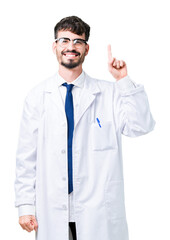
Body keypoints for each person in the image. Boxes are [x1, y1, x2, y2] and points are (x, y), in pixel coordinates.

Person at [14, 16, 155, 240]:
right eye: (64, 40)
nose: (71, 47)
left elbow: (141, 126)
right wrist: (24, 206)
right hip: (52, 210)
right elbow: (26, 158)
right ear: (55, 46)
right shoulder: (37, 97)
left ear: (87, 49)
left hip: (100, 212)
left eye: (78, 41)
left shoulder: (109, 93)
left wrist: (123, 81)